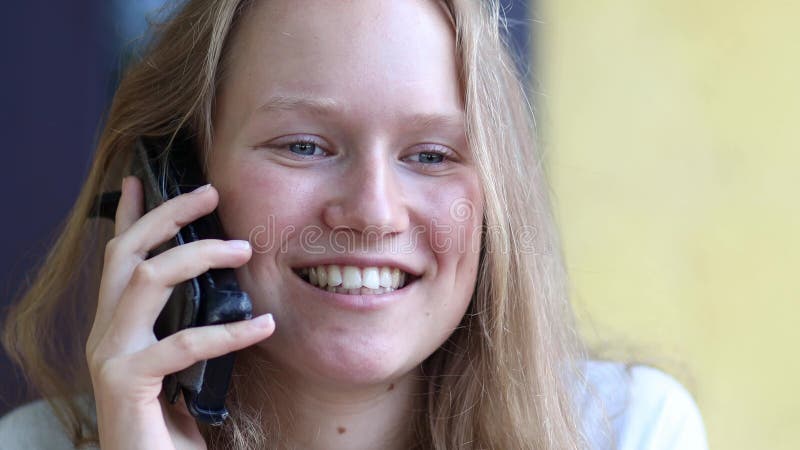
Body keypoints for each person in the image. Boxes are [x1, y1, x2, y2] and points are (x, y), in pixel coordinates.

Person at [0, 0, 708, 449]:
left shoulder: (627, 431)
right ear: (174, 180)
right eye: (304, 145)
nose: (372, 211)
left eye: (430, 155)